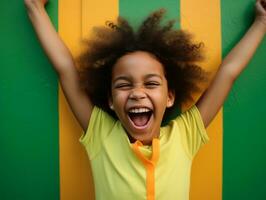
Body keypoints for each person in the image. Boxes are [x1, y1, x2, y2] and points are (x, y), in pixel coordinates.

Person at [24, 0, 266, 199]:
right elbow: (67, 69)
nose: (137, 93)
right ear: (110, 99)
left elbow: (228, 73)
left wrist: (262, 21)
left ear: (170, 96)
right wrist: (35, 7)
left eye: (151, 83)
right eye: (124, 84)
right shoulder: (101, 135)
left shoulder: (186, 135)